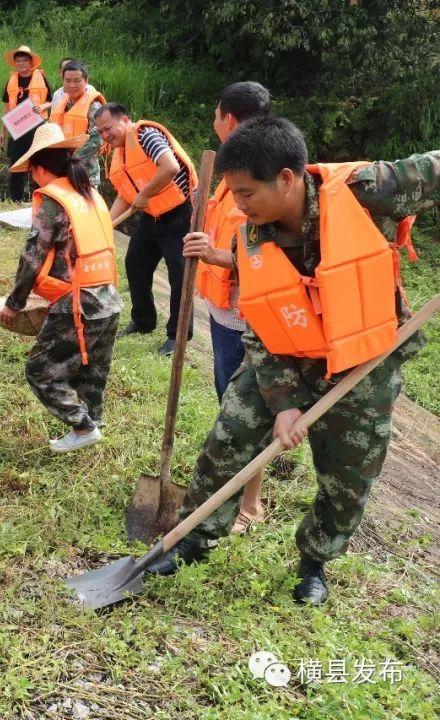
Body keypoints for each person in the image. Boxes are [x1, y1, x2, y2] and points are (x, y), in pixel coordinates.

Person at [150, 117, 439, 606]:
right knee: (227, 441)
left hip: (361, 364)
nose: (238, 205)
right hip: (284, 353)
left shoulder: (368, 192)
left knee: (348, 477)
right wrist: (283, 402)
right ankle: (193, 541)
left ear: (286, 177)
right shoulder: (253, 238)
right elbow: (260, 323)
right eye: (232, 194)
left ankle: (314, 562)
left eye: (246, 193)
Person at [0, 124, 122, 452]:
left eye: (33, 172)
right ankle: (93, 426)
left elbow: (32, 257)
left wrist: (14, 302)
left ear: (40, 168)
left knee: (39, 369)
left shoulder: (54, 200)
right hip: (108, 297)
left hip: (81, 302)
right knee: (92, 369)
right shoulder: (90, 192)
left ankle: (82, 427)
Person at [192, 81, 272, 533]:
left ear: (230, 119)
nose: (214, 121)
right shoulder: (232, 168)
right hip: (224, 312)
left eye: (216, 113)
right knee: (230, 402)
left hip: (248, 316)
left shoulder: (257, 172)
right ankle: (243, 486)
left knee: (245, 407)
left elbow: (264, 255)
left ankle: (251, 503)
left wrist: (214, 254)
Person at [94, 102, 197, 357]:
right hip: (152, 217)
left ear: (124, 119)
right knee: (135, 263)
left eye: (108, 129)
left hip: (180, 216)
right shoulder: (119, 151)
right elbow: (125, 196)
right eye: (101, 132)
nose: (106, 136)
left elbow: (170, 167)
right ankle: (143, 321)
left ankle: (178, 337)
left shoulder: (145, 135)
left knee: (179, 277)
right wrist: (103, 226)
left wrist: (146, 192)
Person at [0, 44, 52, 202]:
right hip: (18, 127)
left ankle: (41, 198)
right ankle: (16, 200)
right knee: (16, 164)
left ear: (31, 62)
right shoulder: (11, 79)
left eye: (24, 60)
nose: (21, 63)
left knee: (39, 163)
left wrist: (42, 106)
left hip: (37, 126)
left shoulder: (40, 77)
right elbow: (7, 107)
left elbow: (51, 101)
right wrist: (3, 131)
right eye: (18, 61)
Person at [48, 60, 105, 185]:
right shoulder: (62, 104)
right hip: (63, 172)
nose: (72, 85)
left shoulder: (94, 106)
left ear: (86, 81)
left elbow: (96, 139)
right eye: (67, 81)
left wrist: (70, 162)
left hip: (86, 175)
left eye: (77, 81)